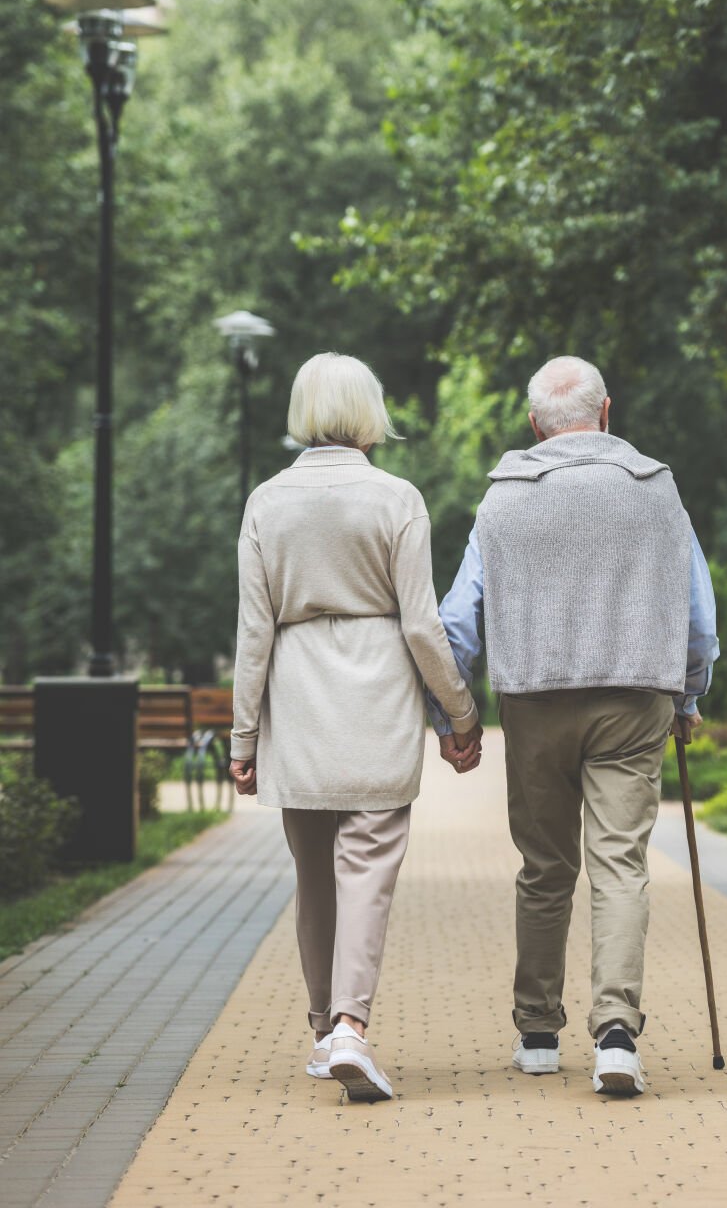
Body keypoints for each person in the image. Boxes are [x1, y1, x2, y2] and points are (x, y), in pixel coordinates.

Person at [429, 356, 718, 1097]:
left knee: (545, 865)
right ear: (607, 411)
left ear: (535, 425)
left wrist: (452, 715)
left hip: (534, 700)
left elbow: (457, 620)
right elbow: (697, 616)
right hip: (634, 696)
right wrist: (689, 693)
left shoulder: (502, 501)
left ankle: (536, 1031)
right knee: (620, 863)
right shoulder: (659, 491)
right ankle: (617, 1033)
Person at [229, 352, 481, 1103]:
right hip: (376, 700)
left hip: (298, 699)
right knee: (367, 868)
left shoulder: (266, 503)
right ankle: (350, 1024)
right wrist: (461, 714)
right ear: (370, 410)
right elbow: (425, 626)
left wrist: (243, 739)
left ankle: (323, 1029)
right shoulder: (396, 497)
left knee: (315, 877)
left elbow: (251, 632)